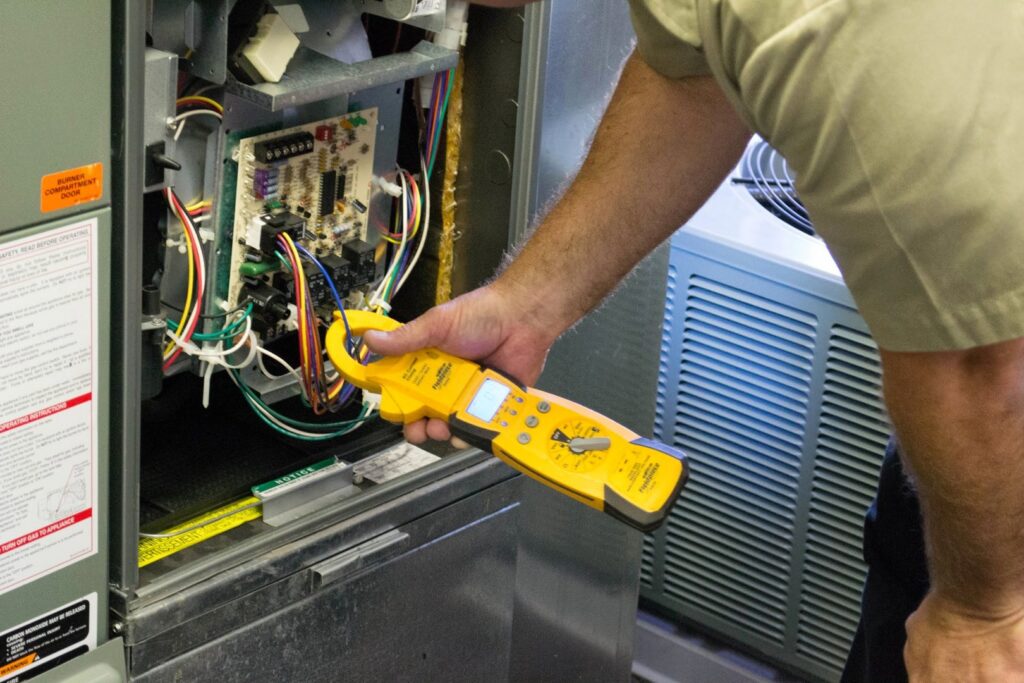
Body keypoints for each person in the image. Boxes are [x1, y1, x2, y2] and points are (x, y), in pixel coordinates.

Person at [364, 1, 1024, 680]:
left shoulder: (836, 30)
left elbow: (979, 364)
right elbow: (696, 75)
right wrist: (525, 305)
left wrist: (984, 613)